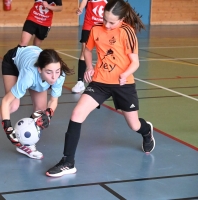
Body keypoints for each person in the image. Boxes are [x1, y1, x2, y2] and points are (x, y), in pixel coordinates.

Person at [46, 0, 155, 177]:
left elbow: (135, 62)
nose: (107, 24)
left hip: (123, 84)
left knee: (133, 124)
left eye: (112, 22)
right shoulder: (96, 29)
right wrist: (89, 67)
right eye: (105, 19)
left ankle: (146, 131)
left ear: (122, 19)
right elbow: (87, 50)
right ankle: (68, 162)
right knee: (76, 114)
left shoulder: (127, 32)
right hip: (100, 82)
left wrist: (124, 74)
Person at [0, 45, 73, 159]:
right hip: (13, 63)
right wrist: (7, 126)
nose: (54, 77)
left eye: (57, 71)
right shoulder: (29, 75)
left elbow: (54, 100)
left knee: (40, 111)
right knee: (13, 105)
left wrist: (48, 114)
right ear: (40, 69)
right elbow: (6, 101)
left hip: (32, 65)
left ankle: (26, 143)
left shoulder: (59, 76)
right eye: (49, 72)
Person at [72, 0, 107, 93]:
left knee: (105, 53)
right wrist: (81, 8)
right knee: (84, 52)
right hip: (88, 26)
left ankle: (104, 80)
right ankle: (80, 82)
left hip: (102, 27)